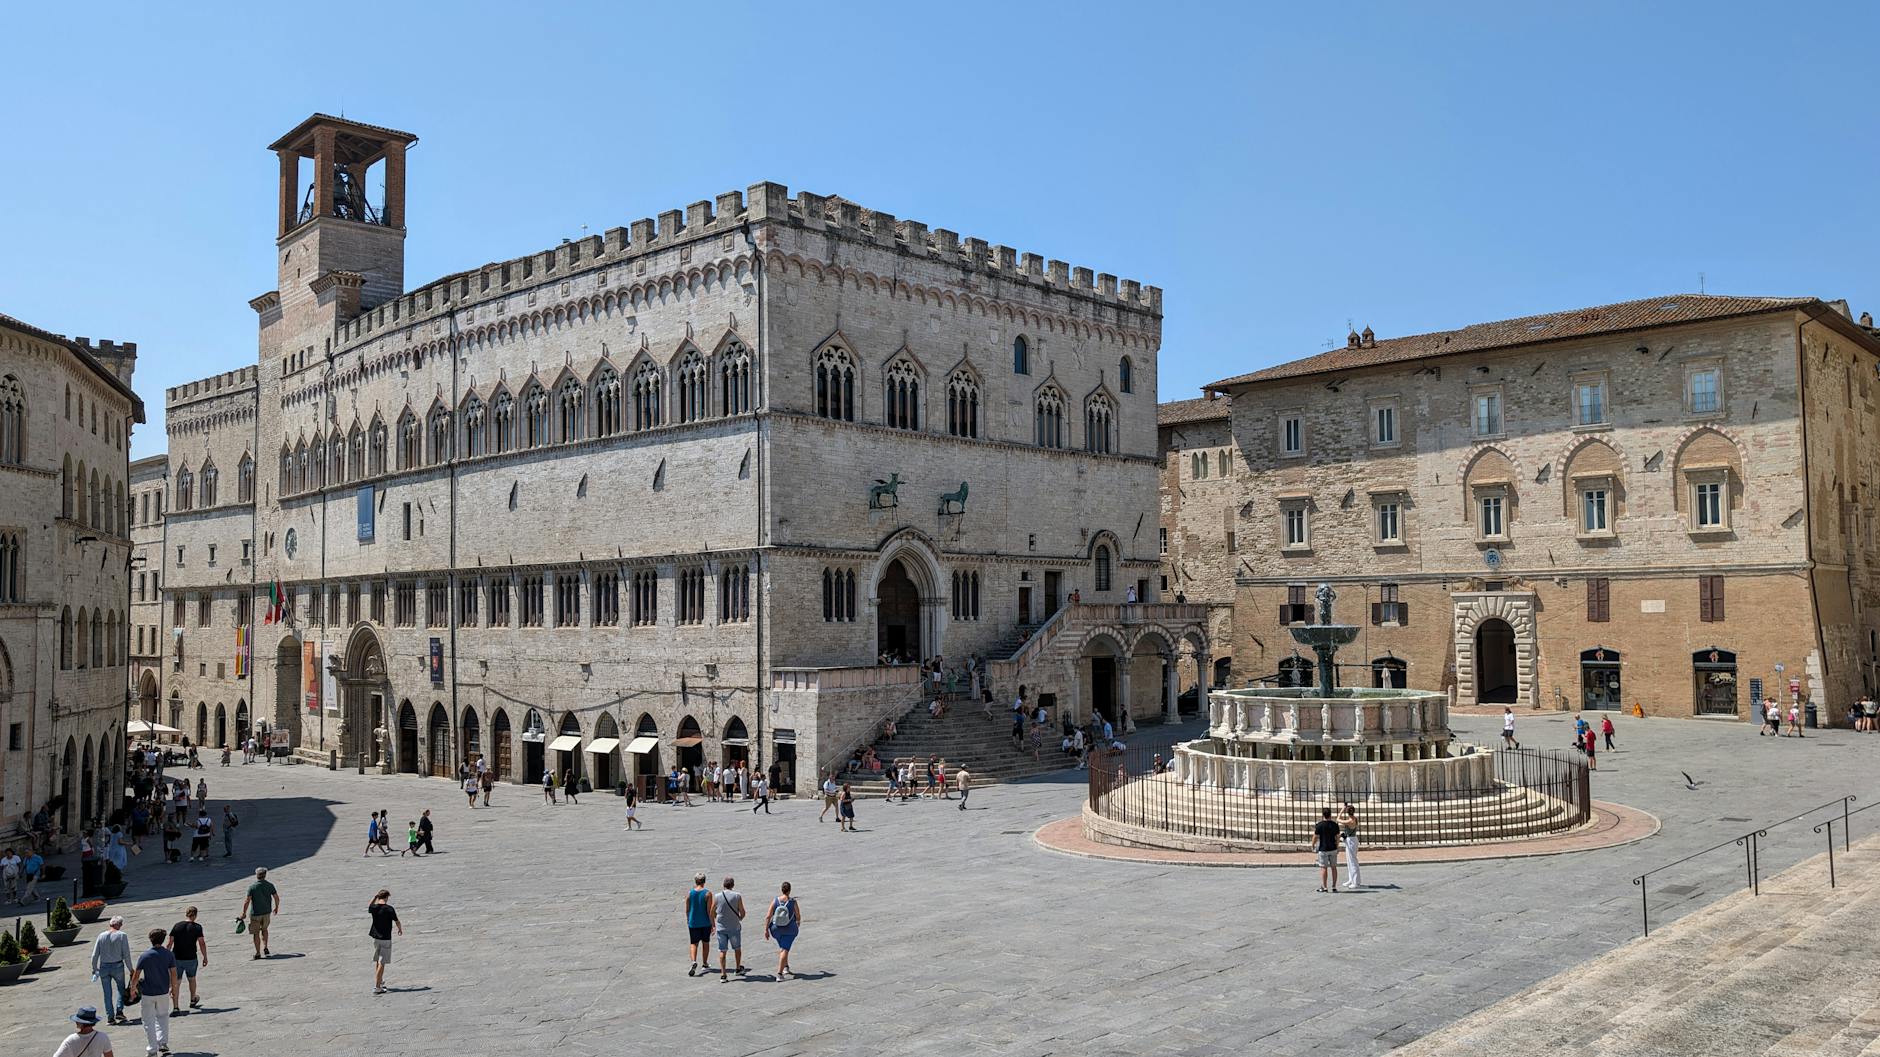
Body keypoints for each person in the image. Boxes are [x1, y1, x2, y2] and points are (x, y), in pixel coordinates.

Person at [127, 928, 177, 1056]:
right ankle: (163, 1043)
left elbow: (136, 975)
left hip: (148, 993)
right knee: (163, 1016)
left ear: (150, 940)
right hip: (163, 991)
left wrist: (133, 990)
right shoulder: (168, 954)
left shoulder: (145, 955)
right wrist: (174, 989)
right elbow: (173, 974)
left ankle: (152, 1049)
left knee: (148, 1021)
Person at [90, 915, 133, 1025]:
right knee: (121, 989)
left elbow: (94, 955)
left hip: (104, 966)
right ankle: (119, 1010)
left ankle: (110, 1017)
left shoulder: (101, 936)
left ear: (110, 924)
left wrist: (95, 969)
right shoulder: (122, 935)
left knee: (107, 993)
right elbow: (126, 954)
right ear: (118, 924)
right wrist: (131, 969)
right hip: (117, 966)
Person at [166, 907, 207, 1013]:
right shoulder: (197, 927)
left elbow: (170, 942)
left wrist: (166, 956)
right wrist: (205, 956)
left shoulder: (177, 926)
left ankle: (175, 1007)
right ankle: (193, 999)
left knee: (176, 982)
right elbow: (201, 943)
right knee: (192, 979)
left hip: (177, 958)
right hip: (191, 958)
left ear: (186, 914)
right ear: (196, 915)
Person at [367, 889, 402, 995]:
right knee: (382, 962)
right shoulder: (389, 909)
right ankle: (377, 987)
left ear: (378, 897)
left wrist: (374, 897)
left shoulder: (374, 908)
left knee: (378, 960)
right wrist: (399, 929)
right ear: (386, 897)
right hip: (385, 938)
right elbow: (397, 921)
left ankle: (380, 981)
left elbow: (369, 905)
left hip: (376, 937)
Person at [239, 867, 279, 959]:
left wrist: (243, 913)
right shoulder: (270, 885)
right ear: (265, 875)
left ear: (256, 875)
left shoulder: (252, 887)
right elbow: (276, 897)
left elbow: (247, 901)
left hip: (255, 914)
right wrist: (276, 907)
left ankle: (257, 953)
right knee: (265, 929)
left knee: (255, 933)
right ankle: (265, 947)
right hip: (266, 912)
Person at [713, 877, 748, 982]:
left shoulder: (717, 896)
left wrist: (717, 919)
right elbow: (742, 911)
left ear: (723, 885)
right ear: (733, 885)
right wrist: (739, 918)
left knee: (722, 950)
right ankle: (738, 968)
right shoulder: (737, 896)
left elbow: (711, 911)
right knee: (737, 948)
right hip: (734, 927)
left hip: (721, 927)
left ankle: (723, 974)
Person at [765, 881, 801, 980]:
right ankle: (779, 974)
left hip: (776, 929)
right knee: (785, 949)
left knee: (783, 947)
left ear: (782, 890)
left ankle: (786, 967)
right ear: (789, 891)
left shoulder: (775, 900)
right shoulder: (793, 902)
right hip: (789, 929)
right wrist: (797, 924)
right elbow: (798, 916)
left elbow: (768, 916)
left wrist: (766, 930)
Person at [684, 875, 714, 976]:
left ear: (695, 881)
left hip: (693, 922)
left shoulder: (690, 893)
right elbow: (709, 911)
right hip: (705, 922)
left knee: (694, 943)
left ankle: (693, 961)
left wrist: (688, 919)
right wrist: (713, 924)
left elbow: (687, 909)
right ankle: (705, 963)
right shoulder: (708, 894)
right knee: (705, 943)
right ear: (704, 881)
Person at [1312, 808, 1341, 893]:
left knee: (1323, 868)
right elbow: (1338, 837)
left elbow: (1315, 836)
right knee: (1334, 867)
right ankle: (1334, 886)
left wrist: (1312, 845)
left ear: (1323, 815)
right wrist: (1337, 845)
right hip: (1333, 848)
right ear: (1330, 815)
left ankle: (1325, 887)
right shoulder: (1335, 825)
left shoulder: (1319, 825)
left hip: (1323, 848)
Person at [1337, 804, 1362, 890]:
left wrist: (1342, 810)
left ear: (1347, 812)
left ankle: (1356, 882)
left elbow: (1337, 819)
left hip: (1351, 841)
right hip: (1351, 840)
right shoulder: (1354, 818)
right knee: (1349, 861)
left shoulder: (1350, 821)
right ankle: (1351, 879)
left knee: (1353, 861)